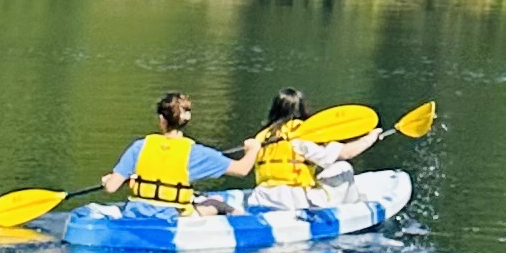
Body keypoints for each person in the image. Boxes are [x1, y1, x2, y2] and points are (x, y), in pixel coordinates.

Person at [102, 90, 224, 208]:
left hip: (139, 211)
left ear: (161, 119)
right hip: (174, 214)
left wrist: (108, 181)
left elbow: (111, 187)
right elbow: (242, 169)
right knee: (219, 204)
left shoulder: (139, 146)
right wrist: (244, 151)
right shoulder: (195, 152)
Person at [226, 88, 358, 195]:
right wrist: (372, 137)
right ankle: (355, 206)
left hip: (262, 196)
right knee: (343, 167)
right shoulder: (305, 134)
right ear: (302, 108)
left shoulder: (262, 136)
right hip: (295, 199)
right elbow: (346, 154)